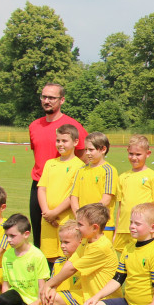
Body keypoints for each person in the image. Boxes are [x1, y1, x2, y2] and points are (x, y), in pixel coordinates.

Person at [40, 203, 119, 305]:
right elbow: (71, 262)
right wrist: (52, 286)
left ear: (94, 228)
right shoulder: (86, 241)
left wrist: (48, 284)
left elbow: (72, 268)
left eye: (80, 225)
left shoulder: (100, 247)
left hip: (105, 300)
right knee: (52, 299)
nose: (77, 228)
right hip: (86, 297)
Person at [28, 83, 87, 248]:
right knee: (39, 237)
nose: (47, 101)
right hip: (39, 187)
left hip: (64, 189)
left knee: (67, 239)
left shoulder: (73, 126)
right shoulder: (34, 126)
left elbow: (83, 158)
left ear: (62, 100)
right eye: (44, 97)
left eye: (52, 98)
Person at [22, 220, 83, 305]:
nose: (62, 246)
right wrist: (38, 302)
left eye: (66, 242)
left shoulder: (84, 262)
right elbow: (51, 286)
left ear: (80, 242)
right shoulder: (59, 262)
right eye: (61, 242)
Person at [0, 215, 50, 305]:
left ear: (26, 234)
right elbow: (6, 285)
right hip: (18, 296)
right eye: (6, 236)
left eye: (12, 236)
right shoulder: (7, 255)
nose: (8, 240)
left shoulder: (37, 256)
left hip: (34, 301)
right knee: (1, 300)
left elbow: (42, 287)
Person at [37, 124, 84, 264]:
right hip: (47, 219)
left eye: (64, 141)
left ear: (75, 142)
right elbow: (41, 188)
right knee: (49, 256)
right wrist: (46, 212)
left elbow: (73, 195)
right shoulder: (50, 163)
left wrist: (55, 212)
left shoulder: (79, 166)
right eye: (58, 140)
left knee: (65, 255)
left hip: (65, 219)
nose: (60, 144)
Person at [113, 135, 154, 253]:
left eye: (138, 154)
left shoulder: (153, 176)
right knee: (124, 260)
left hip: (142, 229)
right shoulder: (122, 177)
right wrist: (116, 231)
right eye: (131, 154)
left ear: (147, 154)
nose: (134, 157)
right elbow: (120, 207)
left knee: (140, 258)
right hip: (123, 229)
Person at [70, 131, 118, 242]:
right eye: (86, 150)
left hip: (102, 226)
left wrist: (88, 218)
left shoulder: (109, 170)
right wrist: (79, 217)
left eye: (91, 150)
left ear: (103, 149)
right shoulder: (81, 170)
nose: (87, 153)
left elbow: (105, 200)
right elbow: (73, 197)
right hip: (82, 225)